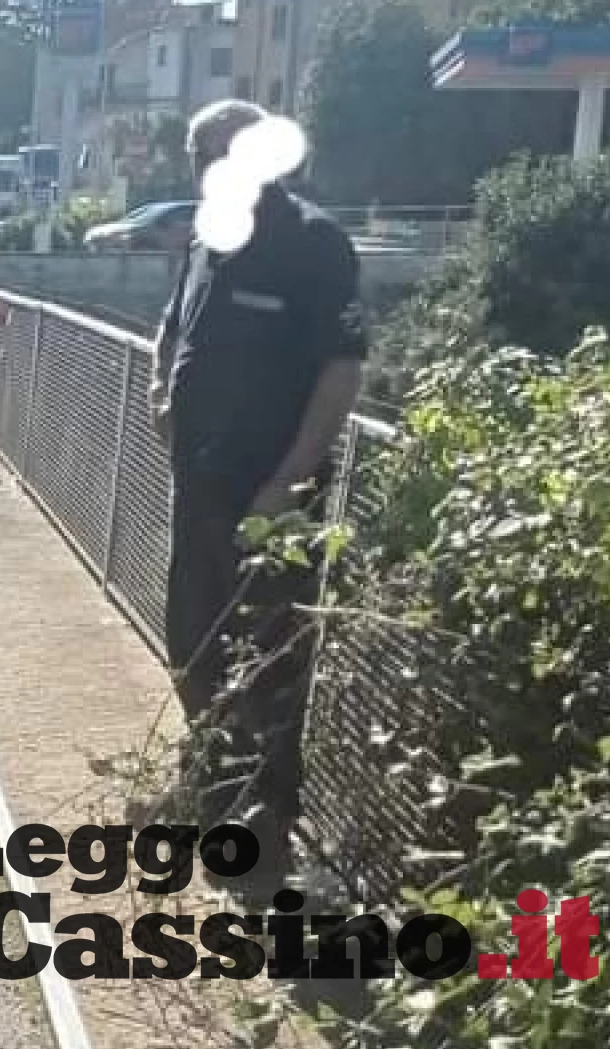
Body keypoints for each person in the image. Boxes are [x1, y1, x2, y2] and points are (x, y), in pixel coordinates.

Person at [147, 100, 366, 894]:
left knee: (271, 653)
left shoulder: (313, 242)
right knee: (192, 641)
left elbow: (341, 369)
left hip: (273, 498)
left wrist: (288, 481)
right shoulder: (211, 230)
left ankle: (265, 821)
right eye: (203, 152)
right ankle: (207, 787)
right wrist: (157, 387)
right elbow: (175, 325)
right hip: (198, 481)